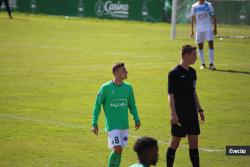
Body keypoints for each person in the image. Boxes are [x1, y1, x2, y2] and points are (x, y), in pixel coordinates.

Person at [92, 62, 141, 167]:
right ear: (116, 73)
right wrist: (94, 122)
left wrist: (136, 119)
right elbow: (97, 105)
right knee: (117, 148)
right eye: (124, 70)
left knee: (119, 151)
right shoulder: (105, 88)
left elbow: (132, 105)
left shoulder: (128, 88)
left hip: (124, 125)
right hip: (112, 126)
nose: (126, 71)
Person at [166, 45, 205, 167]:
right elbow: (170, 96)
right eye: (194, 55)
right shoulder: (174, 73)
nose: (196, 57)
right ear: (186, 55)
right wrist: (173, 114)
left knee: (194, 144)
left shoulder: (193, 72)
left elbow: (193, 92)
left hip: (192, 113)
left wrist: (200, 109)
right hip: (180, 114)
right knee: (175, 143)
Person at [191, 0, 217, 70]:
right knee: (200, 46)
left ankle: (211, 64)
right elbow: (193, 18)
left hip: (208, 27)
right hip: (199, 29)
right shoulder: (194, 6)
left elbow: (213, 16)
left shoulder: (209, 5)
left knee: (211, 44)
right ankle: (203, 64)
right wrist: (192, 30)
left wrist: (215, 28)